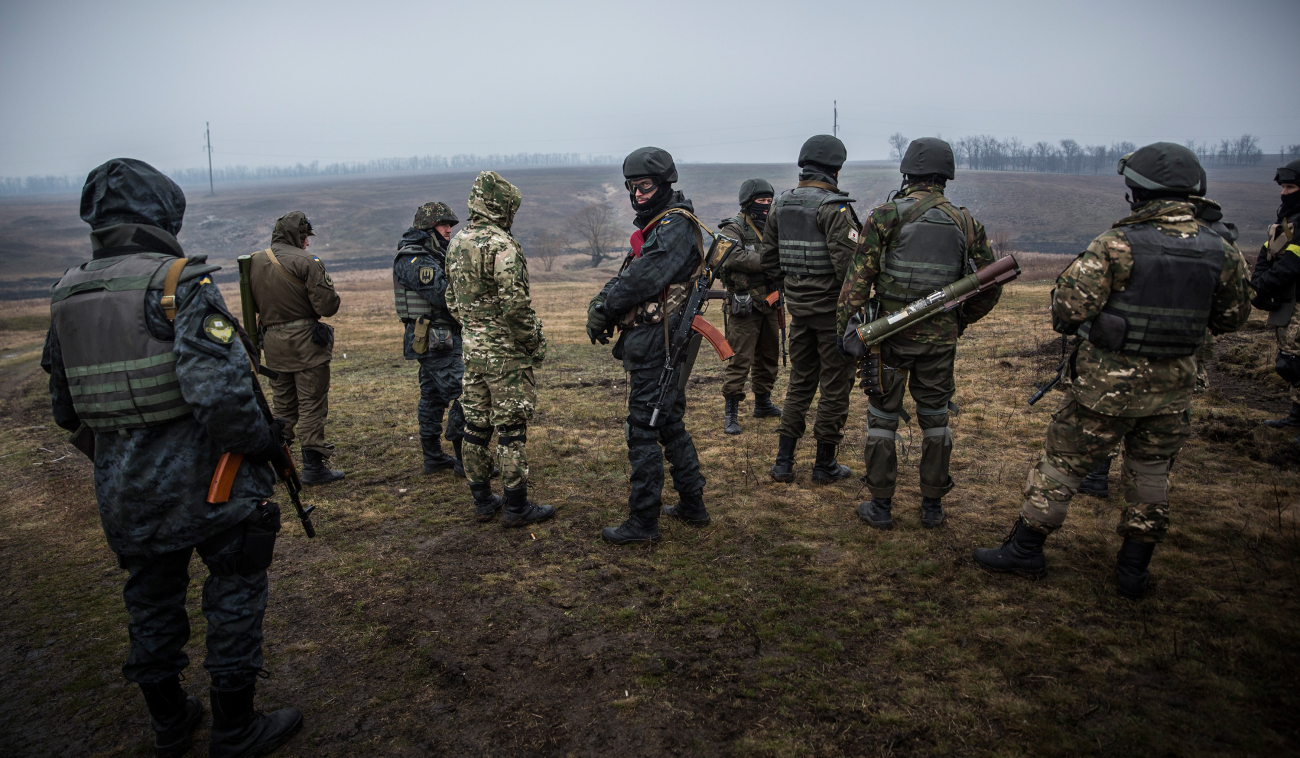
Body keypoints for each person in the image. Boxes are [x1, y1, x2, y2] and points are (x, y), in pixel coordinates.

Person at [42, 158, 301, 757]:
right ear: (163, 213)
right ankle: (235, 727)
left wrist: (122, 456)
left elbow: (66, 409)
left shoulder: (66, 293)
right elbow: (226, 401)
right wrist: (264, 445)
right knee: (235, 591)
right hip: (210, 485)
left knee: (150, 601)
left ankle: (169, 722)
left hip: (124, 492)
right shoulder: (178, 285)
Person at [973, 142, 1252, 599]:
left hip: (1106, 386)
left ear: (1136, 193)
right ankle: (1132, 572)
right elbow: (1231, 319)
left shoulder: (1117, 244)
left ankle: (1026, 550)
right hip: (1175, 387)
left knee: (1062, 462)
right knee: (1151, 472)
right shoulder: (1221, 249)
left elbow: (1065, 310)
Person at [839, 137, 1003, 529]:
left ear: (906, 172)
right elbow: (990, 283)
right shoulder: (966, 222)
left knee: (882, 418)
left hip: (888, 337)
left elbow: (857, 284)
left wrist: (847, 328)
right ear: (945, 176)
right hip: (940, 342)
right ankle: (932, 507)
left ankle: (880, 507)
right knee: (936, 418)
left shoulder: (884, 216)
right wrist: (960, 322)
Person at [1077, 185, 1240, 497]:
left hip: (1129, 354)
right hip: (1180, 357)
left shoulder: (1127, 241)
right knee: (1162, 421)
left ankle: (1100, 477)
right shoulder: (1218, 245)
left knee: (1111, 411)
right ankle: (1145, 493)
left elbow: (1074, 306)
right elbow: (1231, 316)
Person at [587, 147, 710, 544]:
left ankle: (643, 522)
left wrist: (606, 307)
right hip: (653, 338)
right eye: (631, 187)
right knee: (668, 422)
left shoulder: (674, 226)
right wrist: (601, 305)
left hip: (659, 341)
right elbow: (630, 270)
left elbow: (642, 279)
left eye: (645, 185)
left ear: (664, 183)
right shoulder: (660, 222)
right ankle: (693, 505)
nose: (637, 193)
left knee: (643, 428)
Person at [445, 171, 553, 526]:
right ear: (501, 206)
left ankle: (481, 500)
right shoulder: (502, 245)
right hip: (505, 354)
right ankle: (517, 506)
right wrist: (533, 342)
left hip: (472, 349)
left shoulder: (457, 242)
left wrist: (474, 328)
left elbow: (451, 299)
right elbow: (516, 306)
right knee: (510, 429)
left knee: (475, 425)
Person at [759, 135, 861, 483]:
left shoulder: (780, 204)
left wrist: (795, 290)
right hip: (833, 316)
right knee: (835, 386)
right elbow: (850, 269)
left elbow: (769, 260)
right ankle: (824, 465)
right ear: (835, 168)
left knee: (799, 384)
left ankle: (783, 463)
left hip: (799, 312)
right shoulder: (834, 208)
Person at [248, 211, 344, 485]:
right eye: (305, 237)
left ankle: (279, 466)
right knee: (312, 402)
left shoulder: (254, 261)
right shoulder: (308, 262)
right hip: (306, 346)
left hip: (273, 346)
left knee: (282, 407)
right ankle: (314, 467)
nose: (308, 243)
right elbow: (326, 306)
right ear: (296, 236)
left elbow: (250, 305)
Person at [393, 201, 468, 475]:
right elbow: (441, 293)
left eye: (450, 224)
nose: (449, 229)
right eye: (443, 224)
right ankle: (466, 460)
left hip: (441, 336)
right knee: (465, 393)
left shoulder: (435, 253)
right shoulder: (414, 258)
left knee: (433, 396)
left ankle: (433, 457)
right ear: (428, 227)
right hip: (435, 338)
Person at [717, 179, 783, 434]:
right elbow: (729, 256)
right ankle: (731, 411)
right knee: (740, 359)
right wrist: (770, 261)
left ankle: (763, 403)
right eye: (761, 201)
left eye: (769, 201)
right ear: (747, 203)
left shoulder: (773, 228)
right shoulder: (732, 228)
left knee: (769, 356)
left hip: (771, 301)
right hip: (744, 306)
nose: (766, 206)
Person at [1251, 158, 1300, 434]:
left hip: (1295, 300)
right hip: (1288, 303)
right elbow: (1267, 253)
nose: (1284, 192)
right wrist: (1258, 285)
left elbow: (1292, 264)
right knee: (1291, 363)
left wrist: (1262, 286)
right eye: (1283, 187)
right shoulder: (1288, 219)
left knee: (1295, 363)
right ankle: (1296, 417)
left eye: (1290, 187)